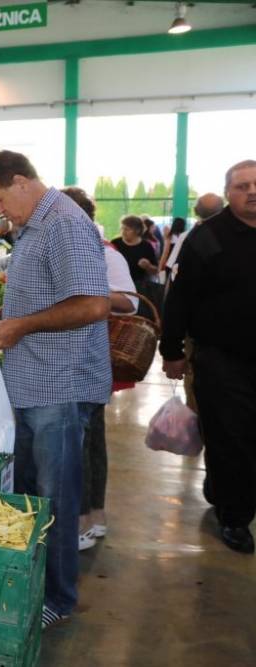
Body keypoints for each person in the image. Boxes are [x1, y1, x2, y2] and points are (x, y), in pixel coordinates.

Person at [0, 151, 110, 629]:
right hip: (33, 381)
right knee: (32, 492)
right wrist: (5, 317)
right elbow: (44, 292)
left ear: (19, 182)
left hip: (60, 383)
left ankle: (58, 597)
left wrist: (22, 327)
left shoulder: (65, 225)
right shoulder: (34, 226)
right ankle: (36, 585)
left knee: (56, 496)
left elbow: (93, 305)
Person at [161, 159, 256, 554]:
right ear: (228, 193)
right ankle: (235, 518)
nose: (251, 192)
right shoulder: (206, 238)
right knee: (230, 437)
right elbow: (179, 299)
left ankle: (221, 487)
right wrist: (171, 351)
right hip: (221, 358)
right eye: (241, 186)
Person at [60, 186, 137, 552]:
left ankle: (88, 518)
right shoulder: (68, 249)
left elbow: (130, 302)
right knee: (84, 437)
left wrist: (91, 295)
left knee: (87, 439)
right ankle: (91, 516)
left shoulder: (108, 255)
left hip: (92, 355)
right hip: (68, 357)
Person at [110, 215, 158, 290]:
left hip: (139, 286)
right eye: (122, 228)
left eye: (127, 229)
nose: (123, 232)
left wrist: (148, 266)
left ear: (137, 230)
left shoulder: (146, 246)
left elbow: (155, 270)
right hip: (118, 285)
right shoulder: (115, 243)